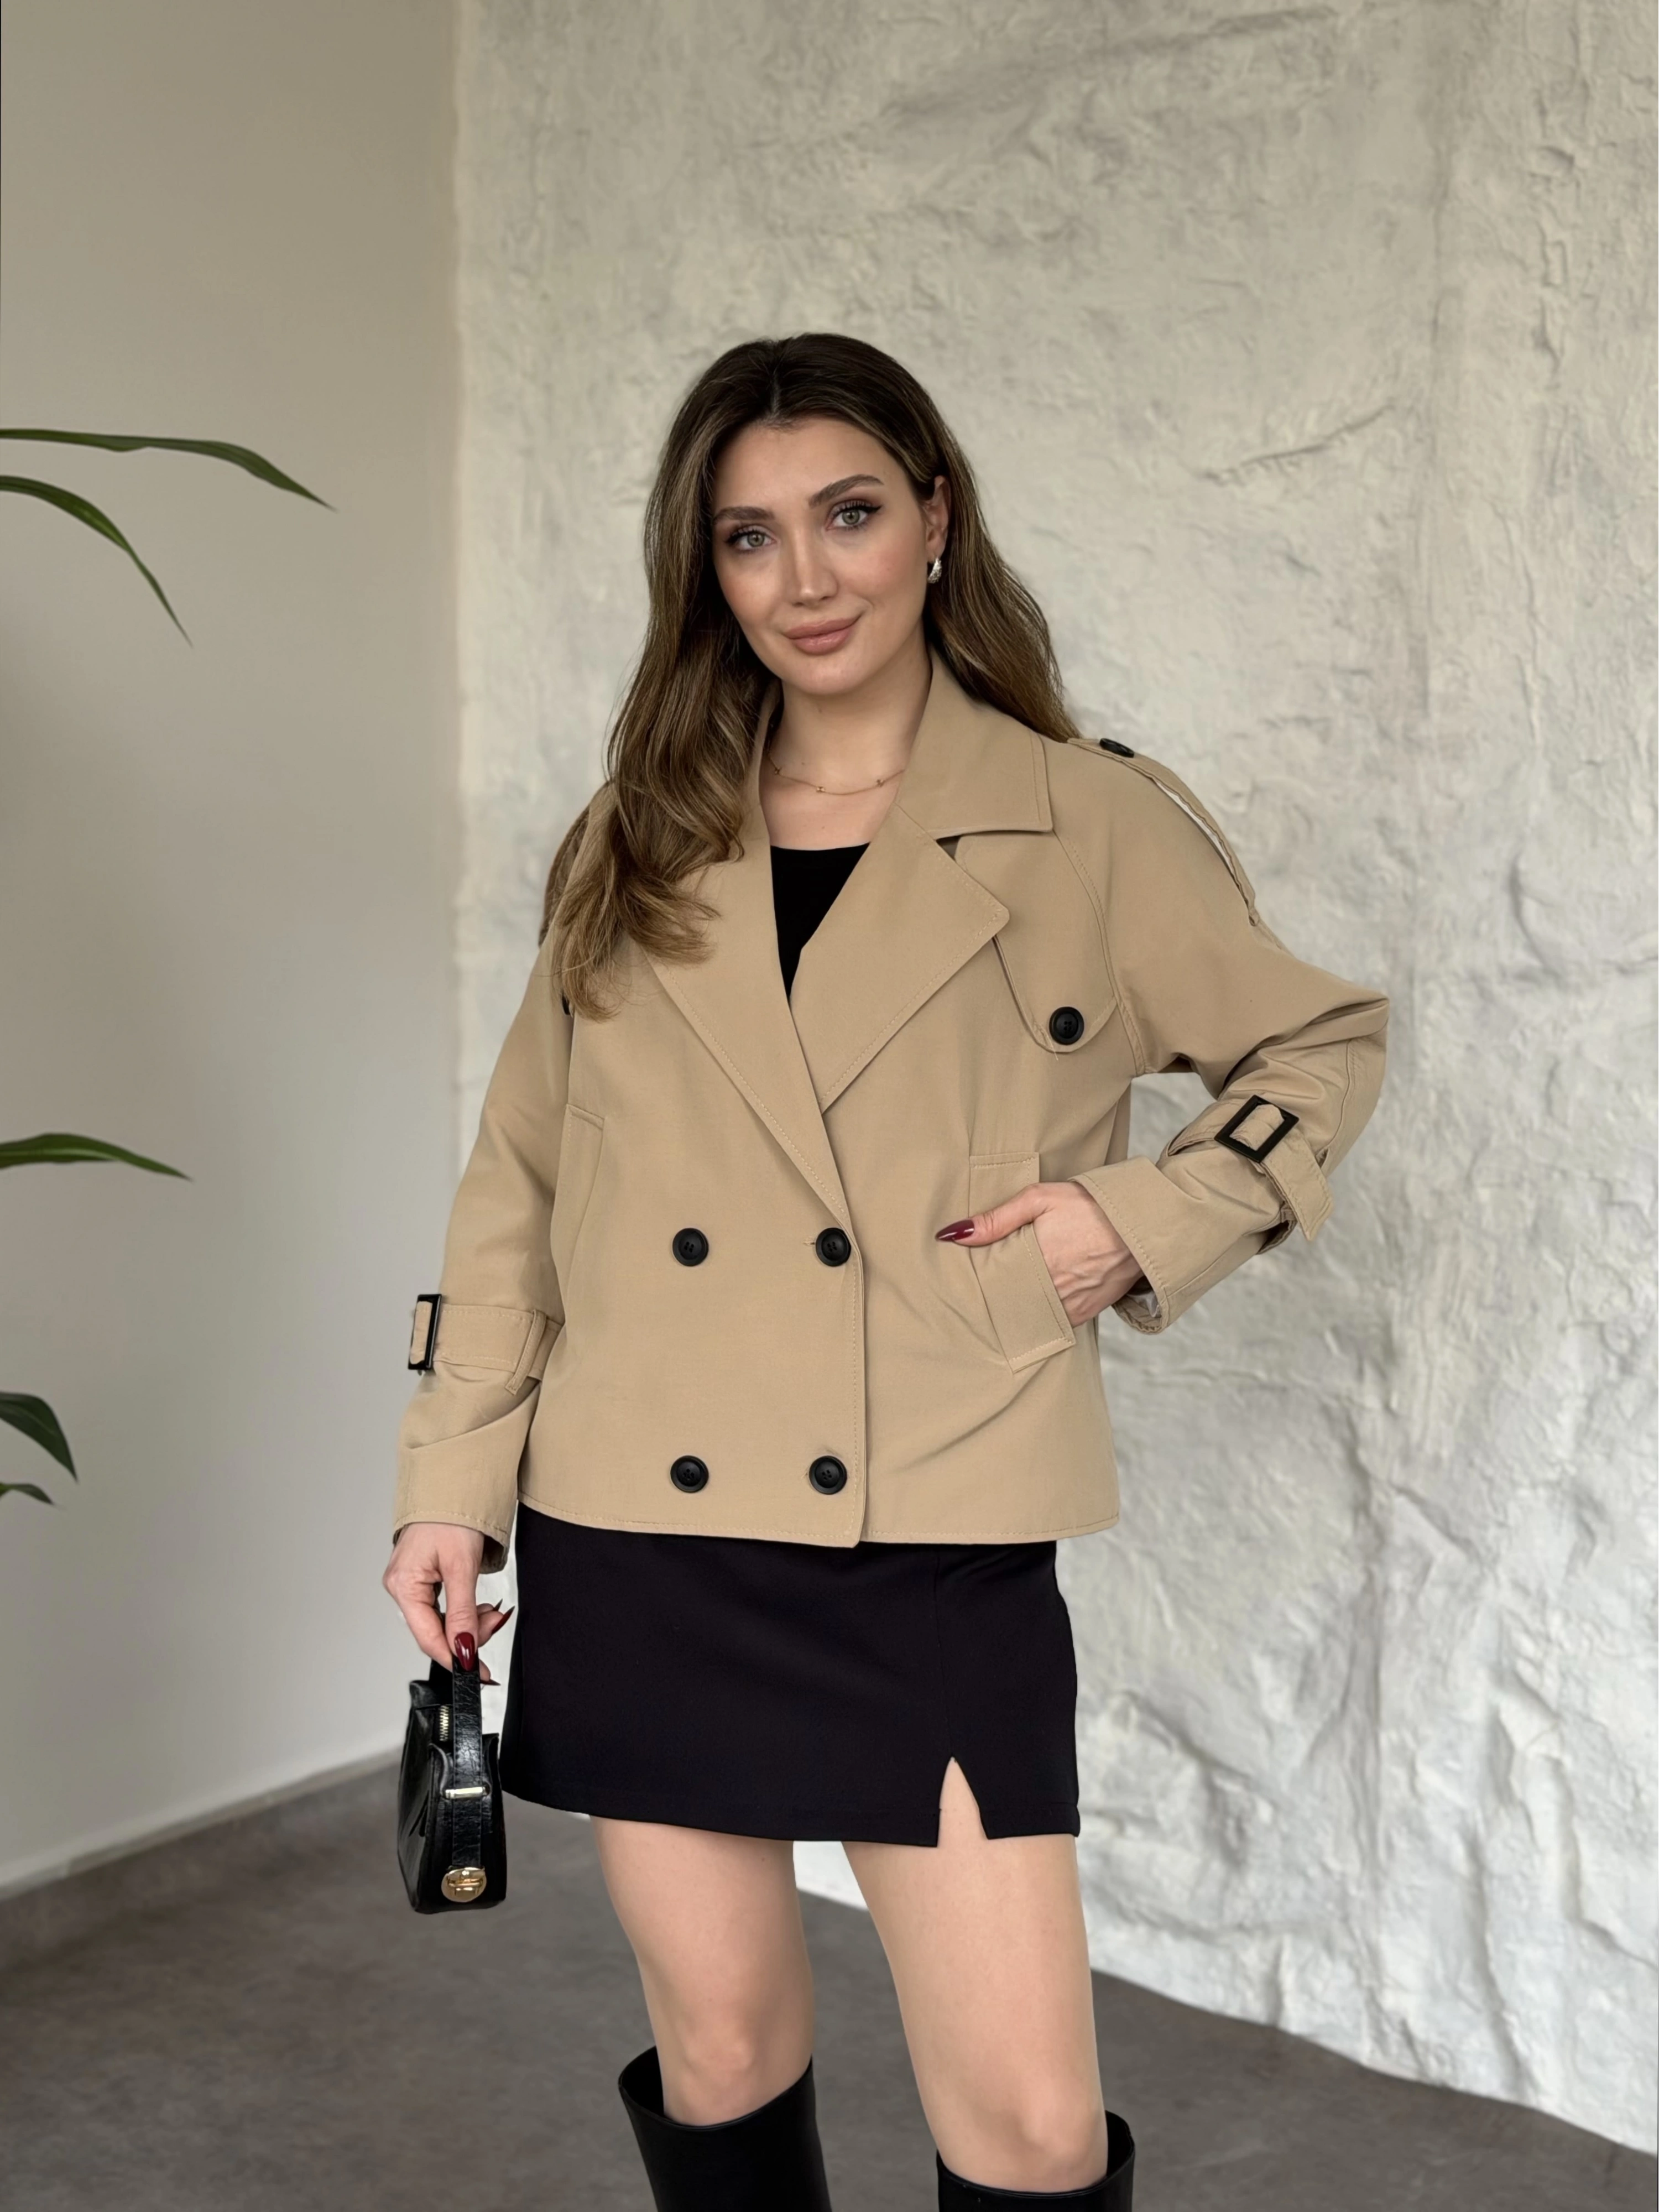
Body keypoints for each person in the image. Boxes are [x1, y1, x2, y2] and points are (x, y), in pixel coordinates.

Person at [384, 332, 1387, 2210]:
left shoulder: (1088, 821)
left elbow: (1320, 1044)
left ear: (935, 520)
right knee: (723, 2053)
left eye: (848, 514)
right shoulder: (637, 837)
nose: (807, 577)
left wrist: (1143, 1218)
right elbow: (521, 1178)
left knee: (1029, 2126)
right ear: (707, 570)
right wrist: (451, 1480)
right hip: (641, 1516)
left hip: (930, 1521)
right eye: (750, 537)